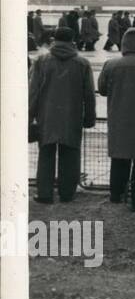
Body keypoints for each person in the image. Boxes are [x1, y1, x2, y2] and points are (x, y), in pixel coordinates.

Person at [28, 26, 96, 203]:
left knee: (46, 155)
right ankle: (67, 193)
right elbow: (89, 94)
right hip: (72, 116)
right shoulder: (82, 63)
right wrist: (89, 117)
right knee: (70, 155)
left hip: (47, 116)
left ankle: (44, 193)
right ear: (72, 41)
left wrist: (28, 117)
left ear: (54, 40)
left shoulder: (41, 61)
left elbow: (33, 92)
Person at [98, 27, 135, 202]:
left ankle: (116, 195)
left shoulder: (110, 64)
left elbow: (102, 89)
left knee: (119, 159)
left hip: (119, 119)